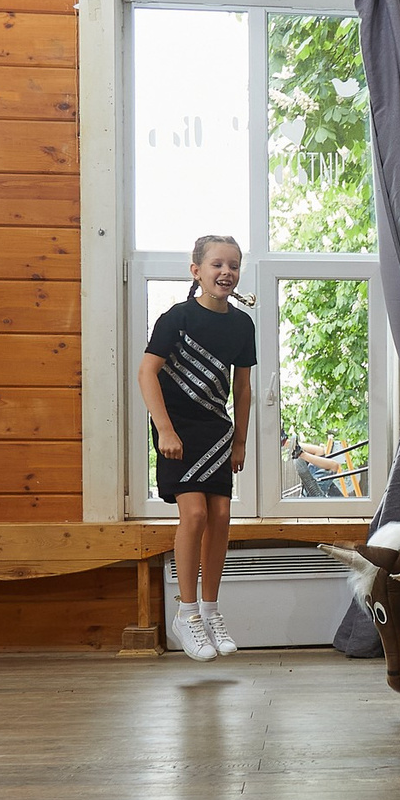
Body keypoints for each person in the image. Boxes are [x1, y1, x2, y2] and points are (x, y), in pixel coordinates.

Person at [139, 235, 257, 663]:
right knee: (194, 515)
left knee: (221, 516)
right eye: (217, 264)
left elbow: (242, 388)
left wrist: (240, 440)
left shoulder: (243, 325)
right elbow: (147, 374)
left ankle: (210, 611)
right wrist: (165, 430)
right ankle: (186, 613)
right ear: (197, 271)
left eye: (233, 265)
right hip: (178, 432)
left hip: (216, 431)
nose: (226, 272)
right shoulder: (177, 318)